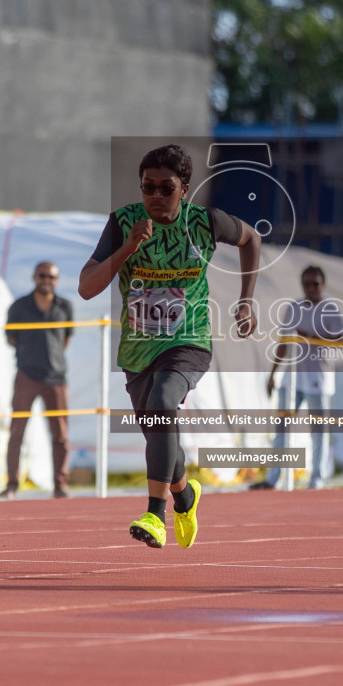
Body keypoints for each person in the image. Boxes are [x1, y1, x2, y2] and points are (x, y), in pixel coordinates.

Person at [78, 145, 259, 548]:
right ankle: (185, 496)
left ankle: (154, 515)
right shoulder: (123, 223)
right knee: (160, 430)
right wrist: (127, 249)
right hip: (138, 350)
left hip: (188, 340)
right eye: (148, 188)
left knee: (163, 402)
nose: (156, 196)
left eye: (166, 188)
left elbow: (252, 238)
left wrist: (246, 298)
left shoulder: (206, 222)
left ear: (185, 189)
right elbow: (87, 288)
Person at [260, 266, 343, 489]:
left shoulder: (331, 309)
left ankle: (316, 479)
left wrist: (312, 337)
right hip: (292, 378)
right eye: (307, 284)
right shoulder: (293, 308)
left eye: (315, 284)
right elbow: (284, 343)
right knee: (282, 427)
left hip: (319, 378)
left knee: (318, 431)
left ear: (323, 285)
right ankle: (273, 478)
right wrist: (273, 375)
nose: (311, 288)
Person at [2, 261, 74, 498]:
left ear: (57, 280)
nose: (46, 280)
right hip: (26, 375)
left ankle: (60, 486)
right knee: (17, 431)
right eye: (42, 276)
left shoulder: (65, 306)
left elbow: (65, 340)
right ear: (34, 277)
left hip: (56, 377)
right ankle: (12, 484)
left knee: (61, 435)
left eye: (51, 277)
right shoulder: (19, 306)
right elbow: (11, 338)